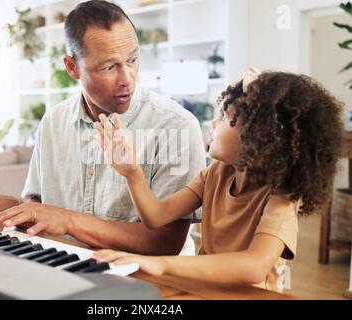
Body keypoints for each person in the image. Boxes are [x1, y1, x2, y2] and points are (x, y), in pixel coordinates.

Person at [0, 0, 206, 255]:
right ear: (72, 67)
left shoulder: (177, 125)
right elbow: (45, 210)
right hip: (62, 266)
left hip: (146, 282)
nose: (127, 79)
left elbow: (165, 243)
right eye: (109, 67)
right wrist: (13, 209)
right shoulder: (52, 122)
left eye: (133, 60)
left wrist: (70, 221)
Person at [92, 68, 344, 292]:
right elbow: (155, 217)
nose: (212, 123)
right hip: (204, 289)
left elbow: (254, 266)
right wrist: (132, 173)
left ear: (257, 136)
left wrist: (160, 264)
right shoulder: (215, 173)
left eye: (224, 117)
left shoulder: (281, 197)